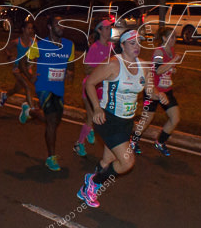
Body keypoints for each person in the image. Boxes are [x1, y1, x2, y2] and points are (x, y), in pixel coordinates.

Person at [77, 29, 152, 208]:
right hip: (108, 119)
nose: (137, 46)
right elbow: (90, 83)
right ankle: (94, 183)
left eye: (139, 42)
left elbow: (150, 91)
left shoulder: (144, 66)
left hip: (126, 122)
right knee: (127, 162)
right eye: (132, 43)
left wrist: (159, 96)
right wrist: (96, 108)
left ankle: (87, 186)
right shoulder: (113, 64)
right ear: (123, 45)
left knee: (108, 161)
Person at [28, 16, 76, 172]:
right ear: (49, 27)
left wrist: (70, 71)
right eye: (57, 24)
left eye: (63, 23)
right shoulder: (40, 45)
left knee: (55, 122)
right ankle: (51, 158)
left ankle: (31, 112)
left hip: (59, 88)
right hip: (43, 86)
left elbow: (71, 62)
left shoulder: (69, 45)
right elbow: (24, 61)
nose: (61, 26)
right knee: (51, 120)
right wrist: (30, 75)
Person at [132, 26, 183, 156]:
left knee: (175, 118)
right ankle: (133, 140)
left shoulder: (171, 51)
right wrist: (173, 62)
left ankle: (160, 142)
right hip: (153, 91)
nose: (174, 40)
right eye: (171, 37)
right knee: (147, 119)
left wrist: (172, 69)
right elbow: (158, 70)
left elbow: (165, 70)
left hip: (167, 91)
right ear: (164, 38)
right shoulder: (159, 52)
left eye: (175, 37)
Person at [75, 19, 115, 157]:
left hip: (104, 87)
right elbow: (86, 69)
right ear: (99, 30)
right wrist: (101, 72)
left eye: (110, 28)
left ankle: (89, 134)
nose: (109, 30)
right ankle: (80, 143)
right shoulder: (94, 48)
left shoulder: (111, 47)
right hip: (90, 86)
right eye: (106, 28)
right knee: (91, 116)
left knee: (102, 117)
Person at [0, 18, 37, 123]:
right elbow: (6, 49)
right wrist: (10, 56)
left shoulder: (34, 41)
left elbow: (37, 54)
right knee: (27, 87)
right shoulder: (17, 41)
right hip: (17, 68)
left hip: (28, 68)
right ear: (23, 29)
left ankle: (5, 95)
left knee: (17, 88)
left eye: (31, 28)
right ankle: (32, 110)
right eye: (28, 28)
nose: (30, 30)